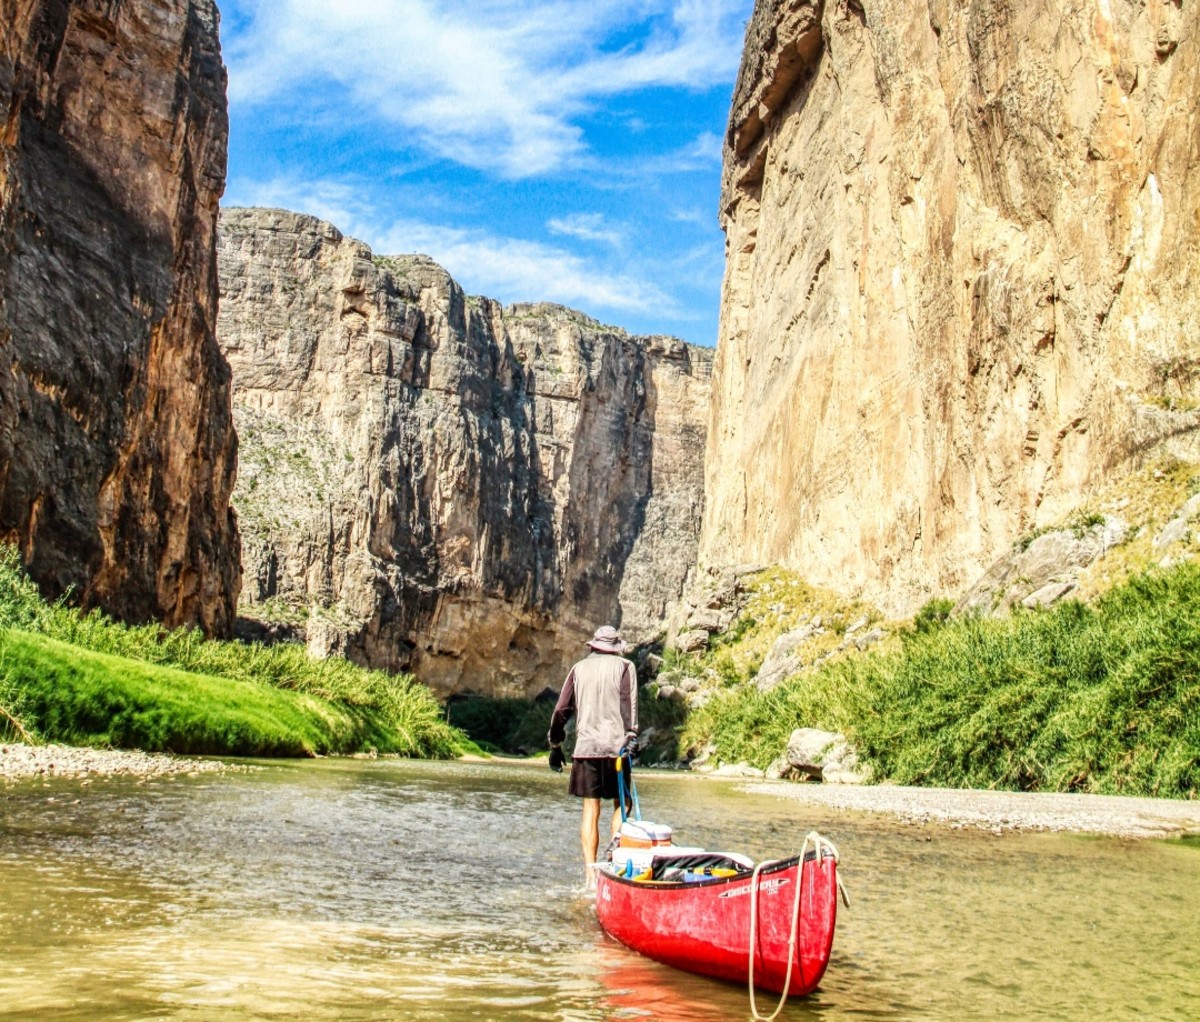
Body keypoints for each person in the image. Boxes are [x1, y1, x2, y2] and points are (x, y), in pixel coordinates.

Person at [548, 624, 639, 886]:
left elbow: (561, 710)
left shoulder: (578, 669)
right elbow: (628, 704)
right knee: (623, 804)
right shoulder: (625, 667)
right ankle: (613, 867)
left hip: (586, 749)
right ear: (615, 647)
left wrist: (555, 745)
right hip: (616, 749)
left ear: (593, 646)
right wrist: (632, 734)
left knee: (591, 807)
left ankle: (590, 874)